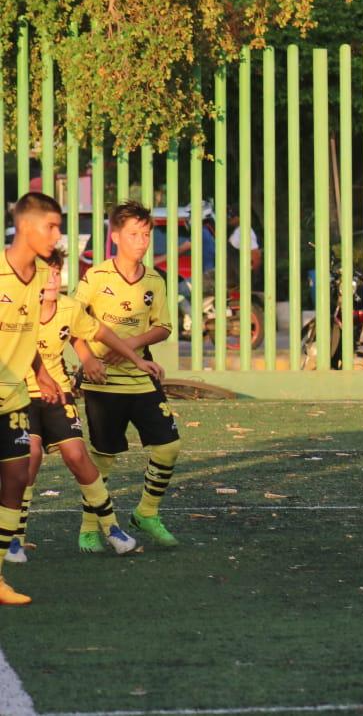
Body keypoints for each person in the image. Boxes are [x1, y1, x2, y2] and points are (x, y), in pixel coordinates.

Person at [13, 252, 157, 561]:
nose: (51, 278)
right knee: (31, 455)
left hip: (58, 393)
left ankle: (112, 530)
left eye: (55, 272)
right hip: (19, 394)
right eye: (43, 272)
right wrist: (40, 374)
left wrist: (137, 359)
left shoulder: (69, 308)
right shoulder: (19, 306)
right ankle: (15, 537)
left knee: (77, 454)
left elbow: (100, 333)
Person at [73, 201, 181, 550]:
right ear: (115, 236)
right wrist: (88, 358)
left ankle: (146, 512)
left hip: (139, 376)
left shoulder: (154, 280)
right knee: (103, 457)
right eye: (134, 234)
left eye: (147, 234)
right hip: (103, 382)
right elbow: (71, 321)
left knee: (169, 445)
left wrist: (129, 344)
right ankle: (90, 527)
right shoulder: (95, 277)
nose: (142, 241)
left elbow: (163, 327)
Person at [0, 194, 67, 604]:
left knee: (15, 480)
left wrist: (41, 371)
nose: (57, 235)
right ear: (26, 226)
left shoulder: (42, 275)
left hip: (14, 398)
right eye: (52, 226)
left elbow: (29, 333)